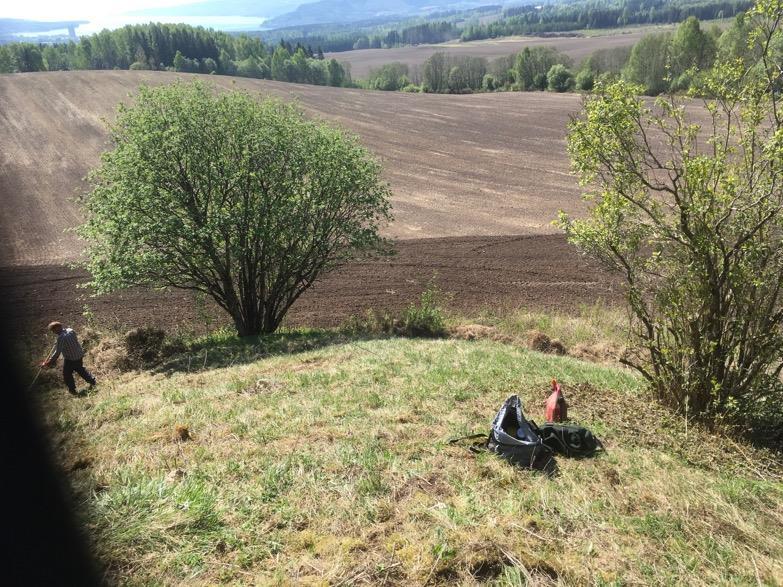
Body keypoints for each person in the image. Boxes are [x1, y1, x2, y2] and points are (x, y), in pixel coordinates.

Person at [42, 322, 96, 395]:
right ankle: (92, 381)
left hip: (71, 358)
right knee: (80, 369)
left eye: (53, 330)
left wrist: (49, 362)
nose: (53, 332)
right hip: (79, 354)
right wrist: (57, 342)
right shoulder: (71, 330)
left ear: (57, 328)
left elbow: (57, 352)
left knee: (67, 374)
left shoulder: (61, 338)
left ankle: (72, 390)